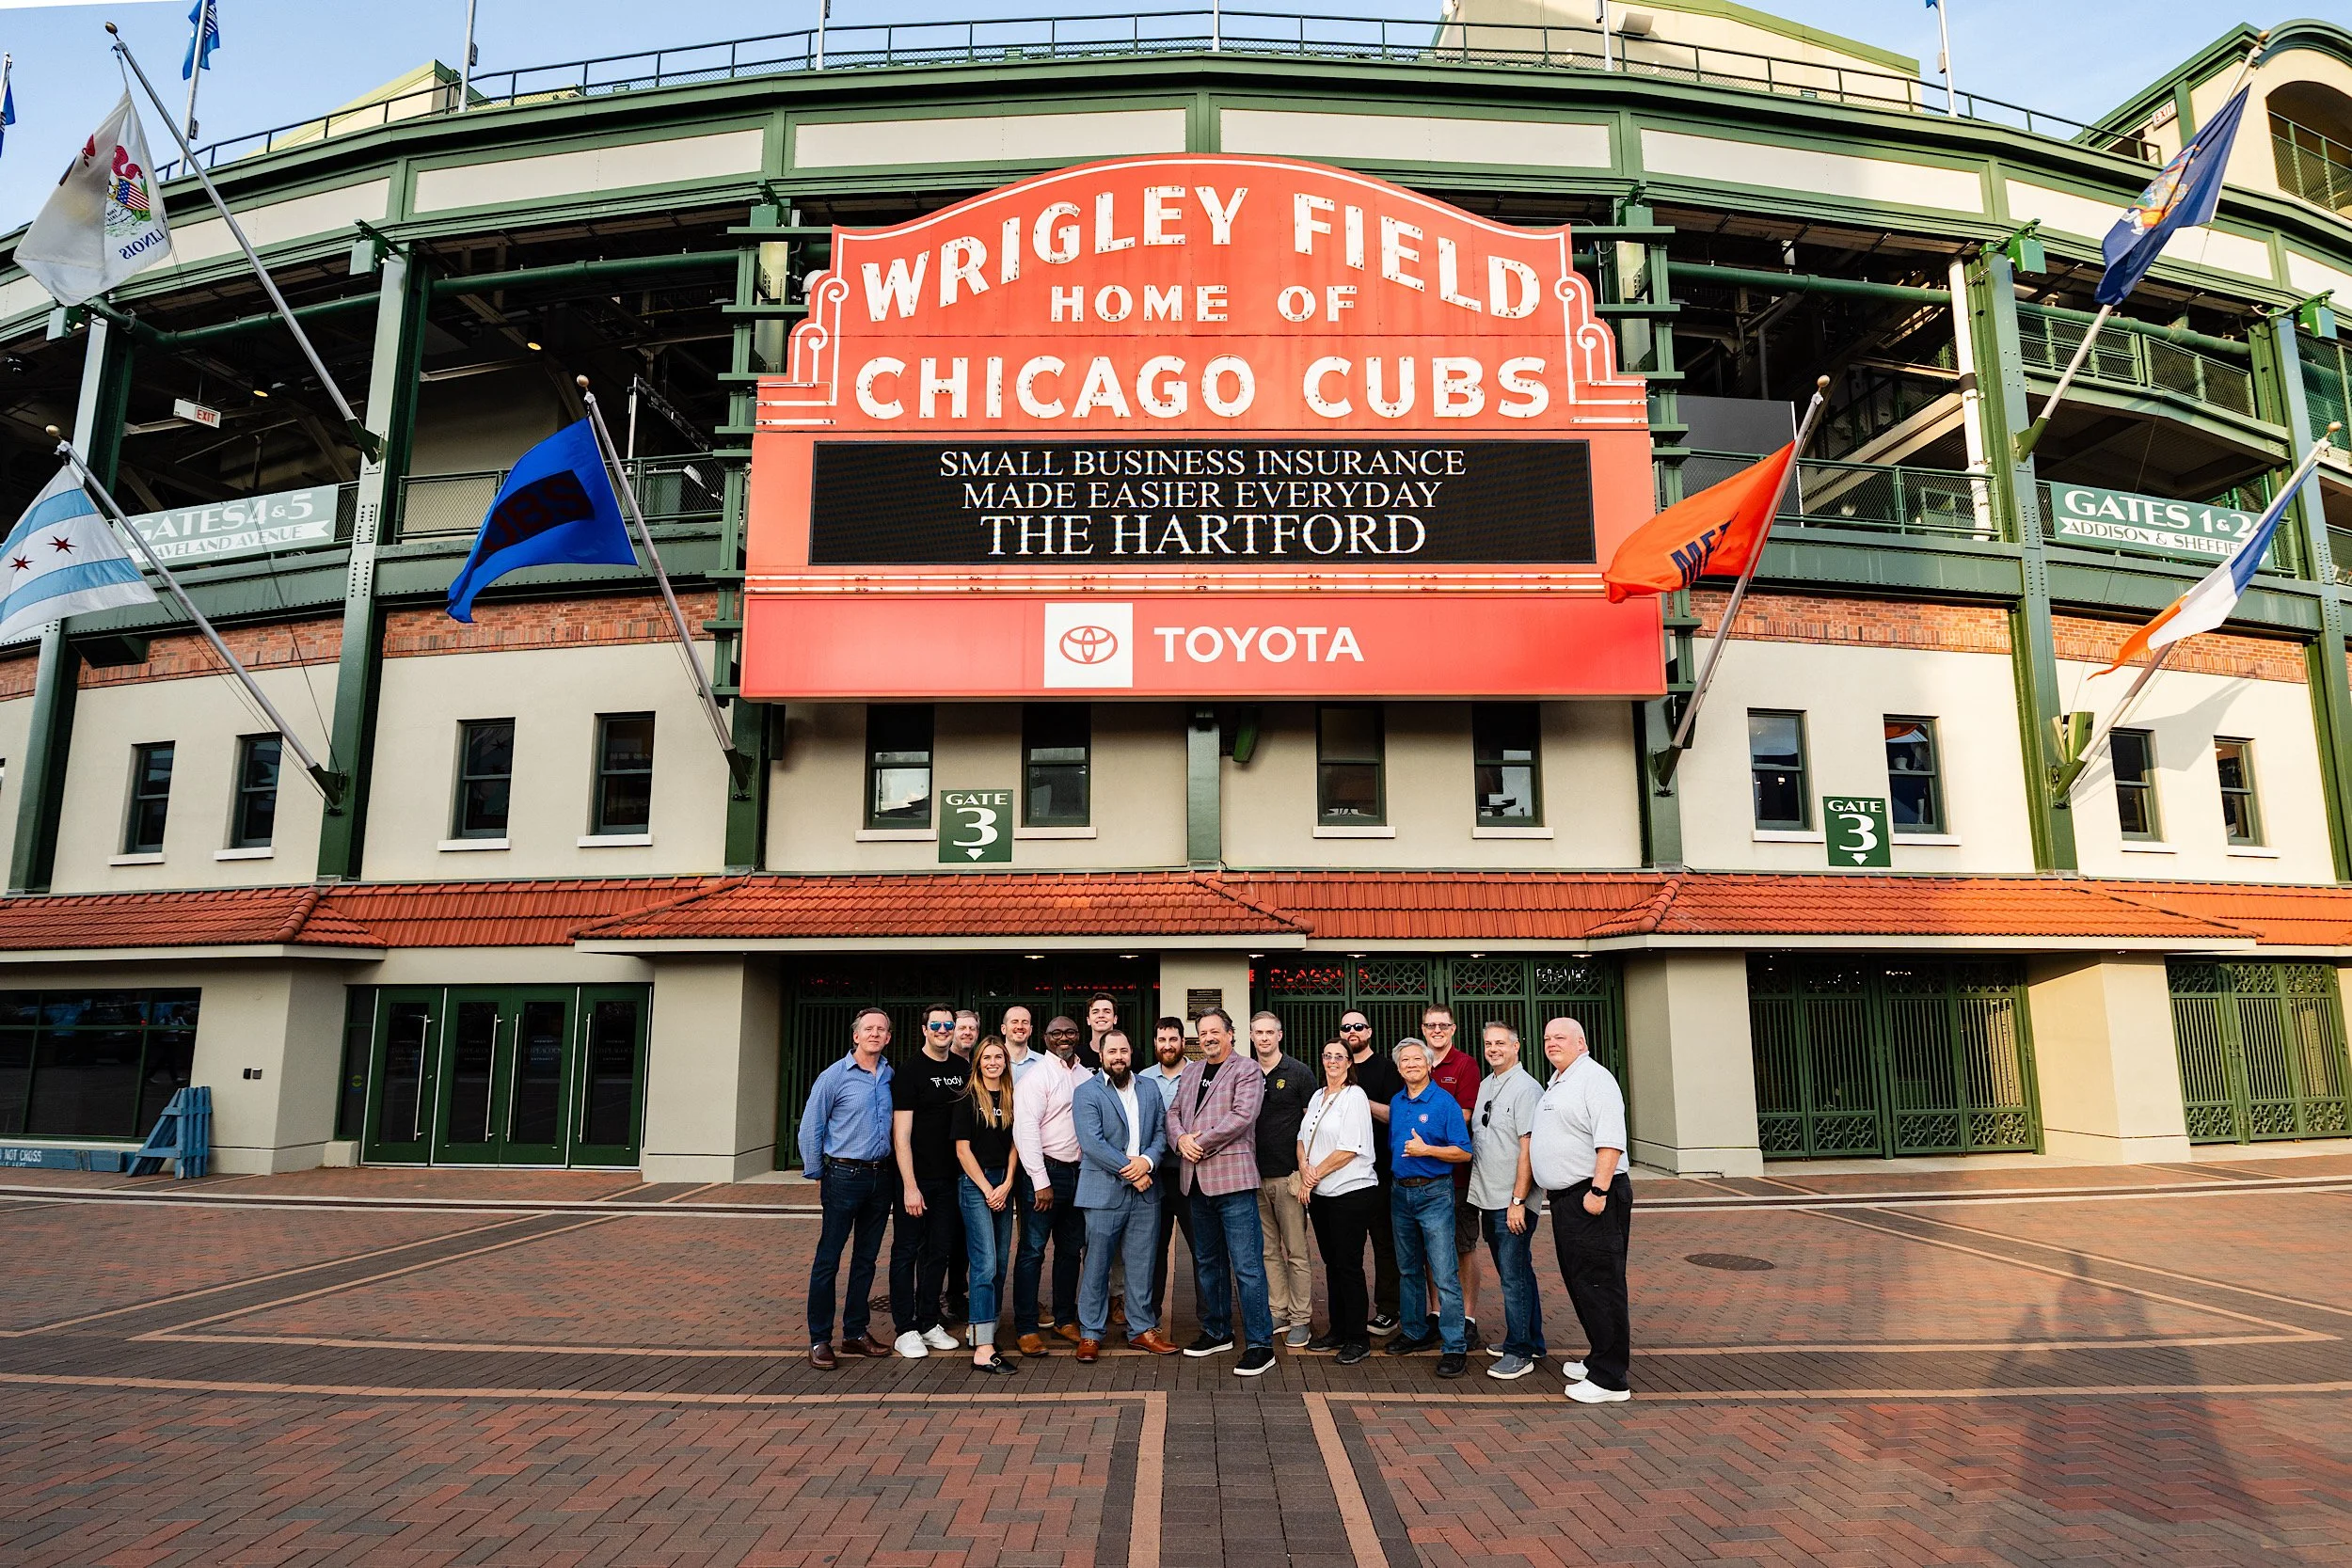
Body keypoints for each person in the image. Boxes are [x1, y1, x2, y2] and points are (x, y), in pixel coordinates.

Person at [1164, 1007, 1276, 1376]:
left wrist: (1200, 1142)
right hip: (1195, 1182)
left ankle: (1260, 1344)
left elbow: (1243, 1116)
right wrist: (1180, 1139)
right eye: (1203, 1032)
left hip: (1233, 1181)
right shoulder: (1192, 1070)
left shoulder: (1247, 1069)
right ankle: (1217, 1331)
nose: (1209, 1037)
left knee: (1247, 1266)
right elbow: (1173, 1113)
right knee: (1207, 1263)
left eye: (1216, 1031)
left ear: (1230, 1034)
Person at [1531, 1016, 1632, 1404]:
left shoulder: (1595, 1078)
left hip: (1592, 1197)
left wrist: (1598, 1190)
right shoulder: (1560, 1081)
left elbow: (1610, 1140)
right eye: (1547, 1038)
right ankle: (1599, 1356)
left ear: (1582, 1042)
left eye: (1560, 1037)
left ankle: (1611, 1379)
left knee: (1600, 1284)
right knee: (1581, 1282)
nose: (1552, 1043)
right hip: (1568, 1200)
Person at [797, 1006, 898, 1370]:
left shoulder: (889, 1076)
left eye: (881, 1030)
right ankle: (820, 1339)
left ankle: (855, 1332)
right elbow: (811, 1127)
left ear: (888, 1038)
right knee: (829, 1259)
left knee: (866, 1259)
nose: (874, 1034)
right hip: (843, 1176)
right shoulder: (834, 1077)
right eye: (868, 1029)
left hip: (881, 1177)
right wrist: (817, 1172)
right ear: (856, 1036)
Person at [1073, 1030, 1180, 1359]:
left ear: (1131, 1053)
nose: (1119, 1056)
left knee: (1142, 1264)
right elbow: (1092, 1143)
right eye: (1112, 1051)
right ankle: (1090, 1333)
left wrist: (1148, 1162)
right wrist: (1133, 1173)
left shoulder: (1148, 1088)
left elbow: (1161, 1132)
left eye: (1124, 1050)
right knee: (1097, 1264)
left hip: (1146, 1193)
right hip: (1104, 1192)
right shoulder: (1086, 1092)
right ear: (1102, 1056)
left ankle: (1142, 1329)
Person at [1384, 1037, 1471, 1379]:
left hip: (1434, 1194)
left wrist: (1428, 1151)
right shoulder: (1396, 1101)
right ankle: (1415, 1331)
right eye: (1404, 1061)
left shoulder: (1445, 1103)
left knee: (1444, 1272)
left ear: (1430, 1064)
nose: (1411, 1065)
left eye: (1417, 1059)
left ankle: (1454, 1346)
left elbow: (1463, 1153)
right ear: (1399, 1068)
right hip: (1400, 1194)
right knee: (1408, 1269)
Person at [888, 1003, 970, 1359]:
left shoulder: (962, 1068)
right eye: (935, 1024)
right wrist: (909, 1185)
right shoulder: (909, 1072)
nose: (942, 1030)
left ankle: (927, 1320)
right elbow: (901, 1135)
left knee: (939, 1251)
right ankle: (904, 1328)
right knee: (906, 1252)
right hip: (916, 1179)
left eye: (947, 1024)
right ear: (924, 1029)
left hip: (950, 1179)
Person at [1470, 1022, 1547, 1380]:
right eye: (1489, 1043)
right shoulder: (1487, 1084)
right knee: (1515, 1272)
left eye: (1501, 1043)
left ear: (1517, 1047)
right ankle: (1531, 1339)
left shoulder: (1527, 1089)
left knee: (1513, 1277)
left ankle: (1520, 1352)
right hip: (1489, 1198)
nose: (1494, 1048)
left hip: (1511, 1201)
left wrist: (1518, 1199)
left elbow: (1528, 1148)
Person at [1296, 1038, 1378, 1365]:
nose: (1332, 1061)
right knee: (1331, 1264)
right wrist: (1304, 1167)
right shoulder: (1318, 1095)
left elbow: (1349, 1148)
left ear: (1349, 1063)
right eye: (1327, 1055)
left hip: (1350, 1191)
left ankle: (1358, 1337)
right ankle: (1337, 1329)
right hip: (1322, 1194)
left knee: (1349, 1265)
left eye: (1339, 1056)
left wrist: (1312, 1174)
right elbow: (1303, 1137)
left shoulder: (1354, 1096)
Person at [1012, 1013, 1089, 1354]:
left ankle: (1064, 1318)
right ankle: (1026, 1326)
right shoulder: (1035, 1076)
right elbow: (1025, 1130)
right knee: (1032, 1252)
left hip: (1079, 1175)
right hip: (1045, 1174)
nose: (1064, 1038)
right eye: (1056, 1033)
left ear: (1079, 1036)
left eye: (1070, 1032)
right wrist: (1040, 1180)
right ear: (1045, 1038)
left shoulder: (1086, 1076)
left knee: (1071, 1251)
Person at [1248, 1011, 1316, 1348]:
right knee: (1268, 1251)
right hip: (1252, 1177)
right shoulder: (1244, 1073)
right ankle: (1279, 1310)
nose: (1263, 1038)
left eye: (1269, 1032)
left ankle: (1301, 1318)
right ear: (1250, 1036)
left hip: (1288, 1177)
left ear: (1280, 1035)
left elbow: (1312, 1125)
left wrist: (1305, 1173)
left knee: (1297, 1251)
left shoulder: (1299, 1073)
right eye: (1258, 1032)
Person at [955, 1037, 1021, 1374]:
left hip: (1003, 1183)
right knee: (985, 1264)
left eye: (999, 1057)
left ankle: (984, 1328)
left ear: (1006, 1062)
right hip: (975, 1184)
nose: (993, 1062)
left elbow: (1016, 1143)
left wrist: (1007, 1183)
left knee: (1001, 1263)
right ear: (978, 1062)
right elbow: (962, 1150)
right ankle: (983, 1349)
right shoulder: (967, 1098)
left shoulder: (1012, 1096)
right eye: (987, 1057)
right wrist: (987, 1188)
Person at [1420, 1005, 1485, 1350]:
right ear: (1423, 1028)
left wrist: (1419, 1129)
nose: (1437, 1030)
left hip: (1455, 1175)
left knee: (1462, 1248)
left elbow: (1463, 1116)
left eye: (1443, 1025)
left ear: (1453, 1029)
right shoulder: (1416, 1061)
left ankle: (1468, 1318)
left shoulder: (1464, 1065)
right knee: (1432, 1250)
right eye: (1431, 1025)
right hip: (1422, 1175)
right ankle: (1437, 1314)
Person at [1343, 1009, 1403, 1336]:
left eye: (1358, 1026)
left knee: (1384, 1243)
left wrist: (1358, 1100)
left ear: (1369, 1031)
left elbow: (1396, 1113)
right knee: (1348, 1246)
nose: (1352, 1031)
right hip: (1343, 1174)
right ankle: (1349, 1313)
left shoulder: (1385, 1069)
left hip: (1379, 1170)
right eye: (1346, 1027)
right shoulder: (1336, 1066)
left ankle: (1388, 1309)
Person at [1142, 1017, 1197, 1328]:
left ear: (1182, 1041)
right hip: (1154, 1175)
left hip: (1190, 1174)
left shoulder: (1199, 1075)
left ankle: (1209, 1319)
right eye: (1162, 1040)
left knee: (1201, 1248)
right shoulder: (1144, 1079)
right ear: (1155, 1043)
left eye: (1173, 1039)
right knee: (1153, 1250)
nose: (1167, 1045)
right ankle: (1149, 1318)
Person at [1081, 992, 1119, 1073]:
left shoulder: (1131, 1055)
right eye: (1095, 1012)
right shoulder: (1077, 1055)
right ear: (1088, 1020)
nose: (1101, 1015)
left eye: (1107, 1011)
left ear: (1115, 1019)